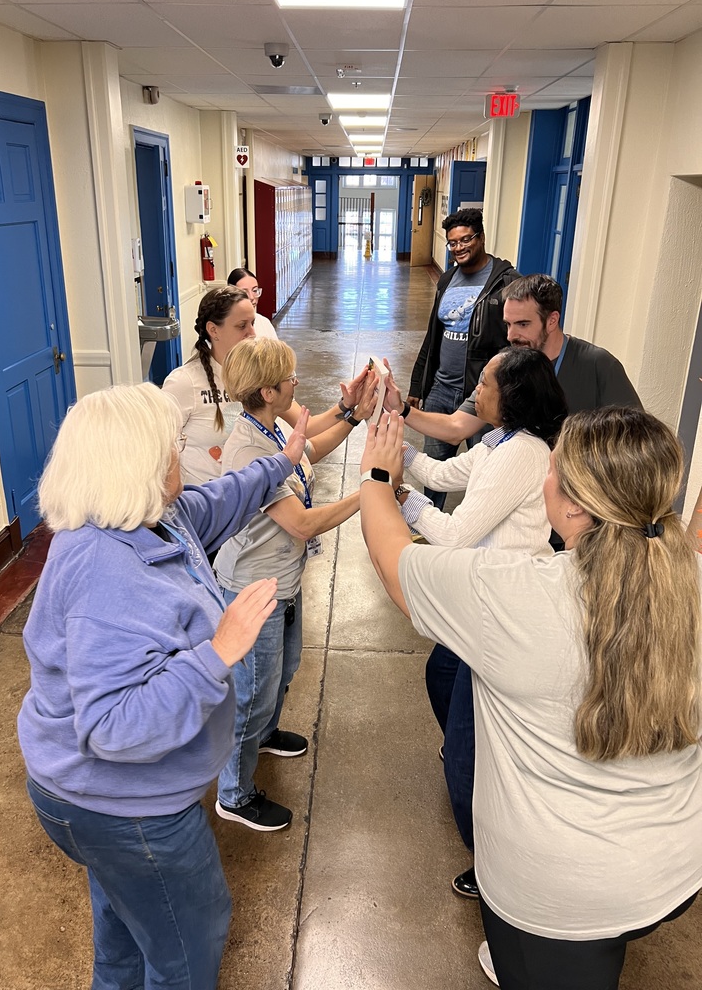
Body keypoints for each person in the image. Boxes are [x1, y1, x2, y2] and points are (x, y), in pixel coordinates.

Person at [360, 406, 702, 990]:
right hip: (673, 867)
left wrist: (376, 477)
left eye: (552, 467)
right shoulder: (687, 578)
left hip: (555, 896)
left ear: (572, 504)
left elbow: (395, 565)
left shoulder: (513, 595)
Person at [17, 381, 309, 990]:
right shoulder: (106, 575)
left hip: (97, 799)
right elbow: (112, 727)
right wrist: (219, 652)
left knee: (125, 925)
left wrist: (281, 461)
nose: (184, 455)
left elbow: (217, 503)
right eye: (172, 449)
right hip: (120, 806)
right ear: (138, 467)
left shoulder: (153, 519)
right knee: (188, 944)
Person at [380, 348, 567, 900]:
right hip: (482, 596)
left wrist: (397, 496)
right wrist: (396, 437)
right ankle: (482, 755)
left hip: (503, 607)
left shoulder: (521, 454)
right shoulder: (496, 441)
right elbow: (441, 470)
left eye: (484, 381)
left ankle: (490, 862)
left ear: (509, 396)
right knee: (441, 676)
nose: (475, 389)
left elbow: (455, 534)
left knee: (462, 755)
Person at [213, 338, 375, 832]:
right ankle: (234, 795)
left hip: (283, 581)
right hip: (254, 590)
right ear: (267, 390)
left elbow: (310, 451)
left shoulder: (271, 424)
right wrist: (370, 489)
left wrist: (350, 412)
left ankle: (263, 735)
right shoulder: (248, 450)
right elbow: (302, 524)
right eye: (289, 379)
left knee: (284, 671)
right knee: (253, 692)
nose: (295, 383)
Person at [400, 273, 641, 452]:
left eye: (523, 324)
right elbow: (455, 428)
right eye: (508, 324)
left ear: (552, 320)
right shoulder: (506, 366)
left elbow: (637, 442)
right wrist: (401, 409)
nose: (511, 336)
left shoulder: (597, 365)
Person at [163, 285, 370, 485]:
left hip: (251, 504)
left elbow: (307, 429)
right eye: (241, 325)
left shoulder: (258, 373)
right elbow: (156, 451)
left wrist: (346, 405)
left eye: (252, 323)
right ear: (213, 330)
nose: (252, 333)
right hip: (208, 509)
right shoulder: (184, 383)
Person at [406, 208, 520, 507]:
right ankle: (428, 521)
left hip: (482, 392)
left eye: (465, 240)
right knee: (434, 467)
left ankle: (478, 522)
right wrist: (418, 385)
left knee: (485, 466)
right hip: (440, 389)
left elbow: (514, 341)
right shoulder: (447, 279)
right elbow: (433, 336)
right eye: (452, 242)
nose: (458, 248)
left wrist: (502, 389)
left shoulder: (506, 282)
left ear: (480, 238)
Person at [228, 266, 276, 338]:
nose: (251, 297)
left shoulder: (264, 323)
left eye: (255, 291)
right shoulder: (224, 325)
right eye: (244, 292)